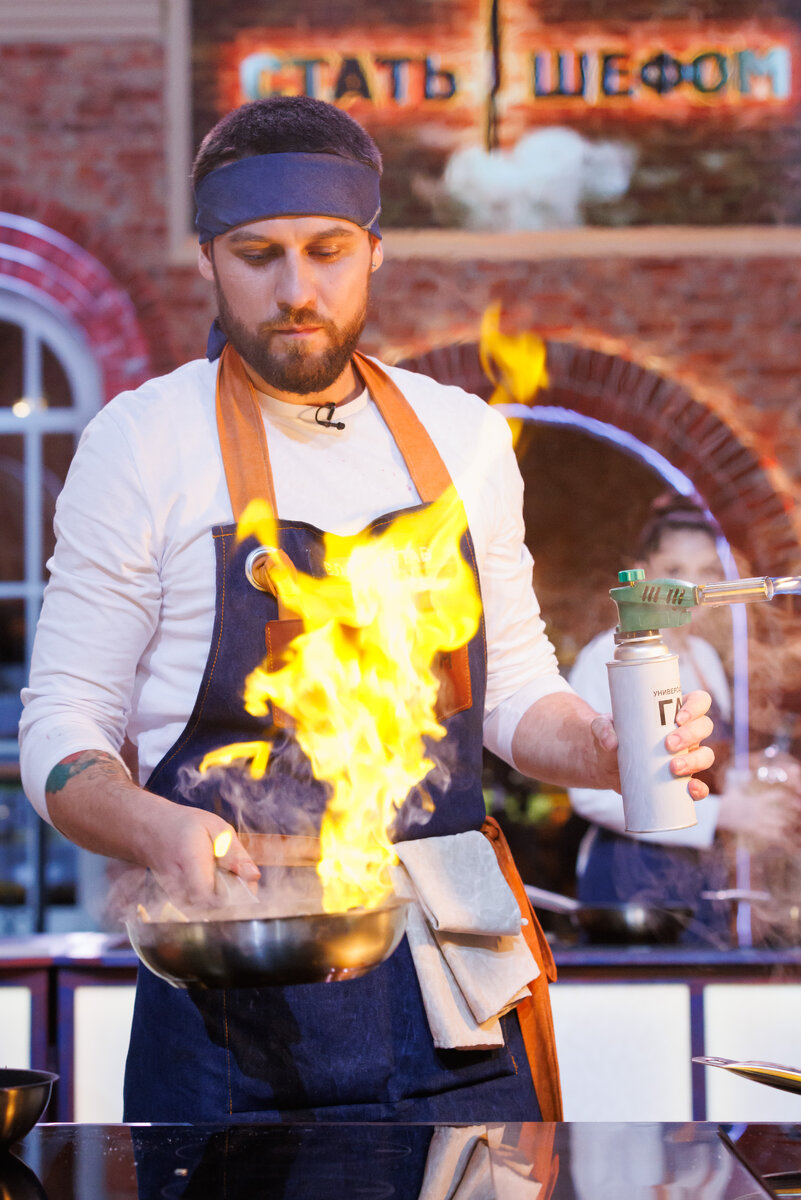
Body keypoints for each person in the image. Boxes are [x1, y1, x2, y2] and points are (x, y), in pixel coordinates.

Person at [18, 96, 714, 1123]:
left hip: (457, 970)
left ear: (374, 252)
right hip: (240, 964)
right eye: (257, 253)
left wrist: (604, 750)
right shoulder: (145, 442)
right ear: (207, 257)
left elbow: (514, 694)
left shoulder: (462, 438)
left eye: (327, 249)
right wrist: (151, 826)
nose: (296, 289)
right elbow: (62, 728)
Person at [568, 495, 801, 941]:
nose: (691, 587)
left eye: (708, 572)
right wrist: (725, 813)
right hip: (630, 881)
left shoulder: (705, 657)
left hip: (699, 879)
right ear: (644, 571)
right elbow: (587, 794)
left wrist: (753, 773)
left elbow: (693, 763)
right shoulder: (611, 657)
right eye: (675, 569)